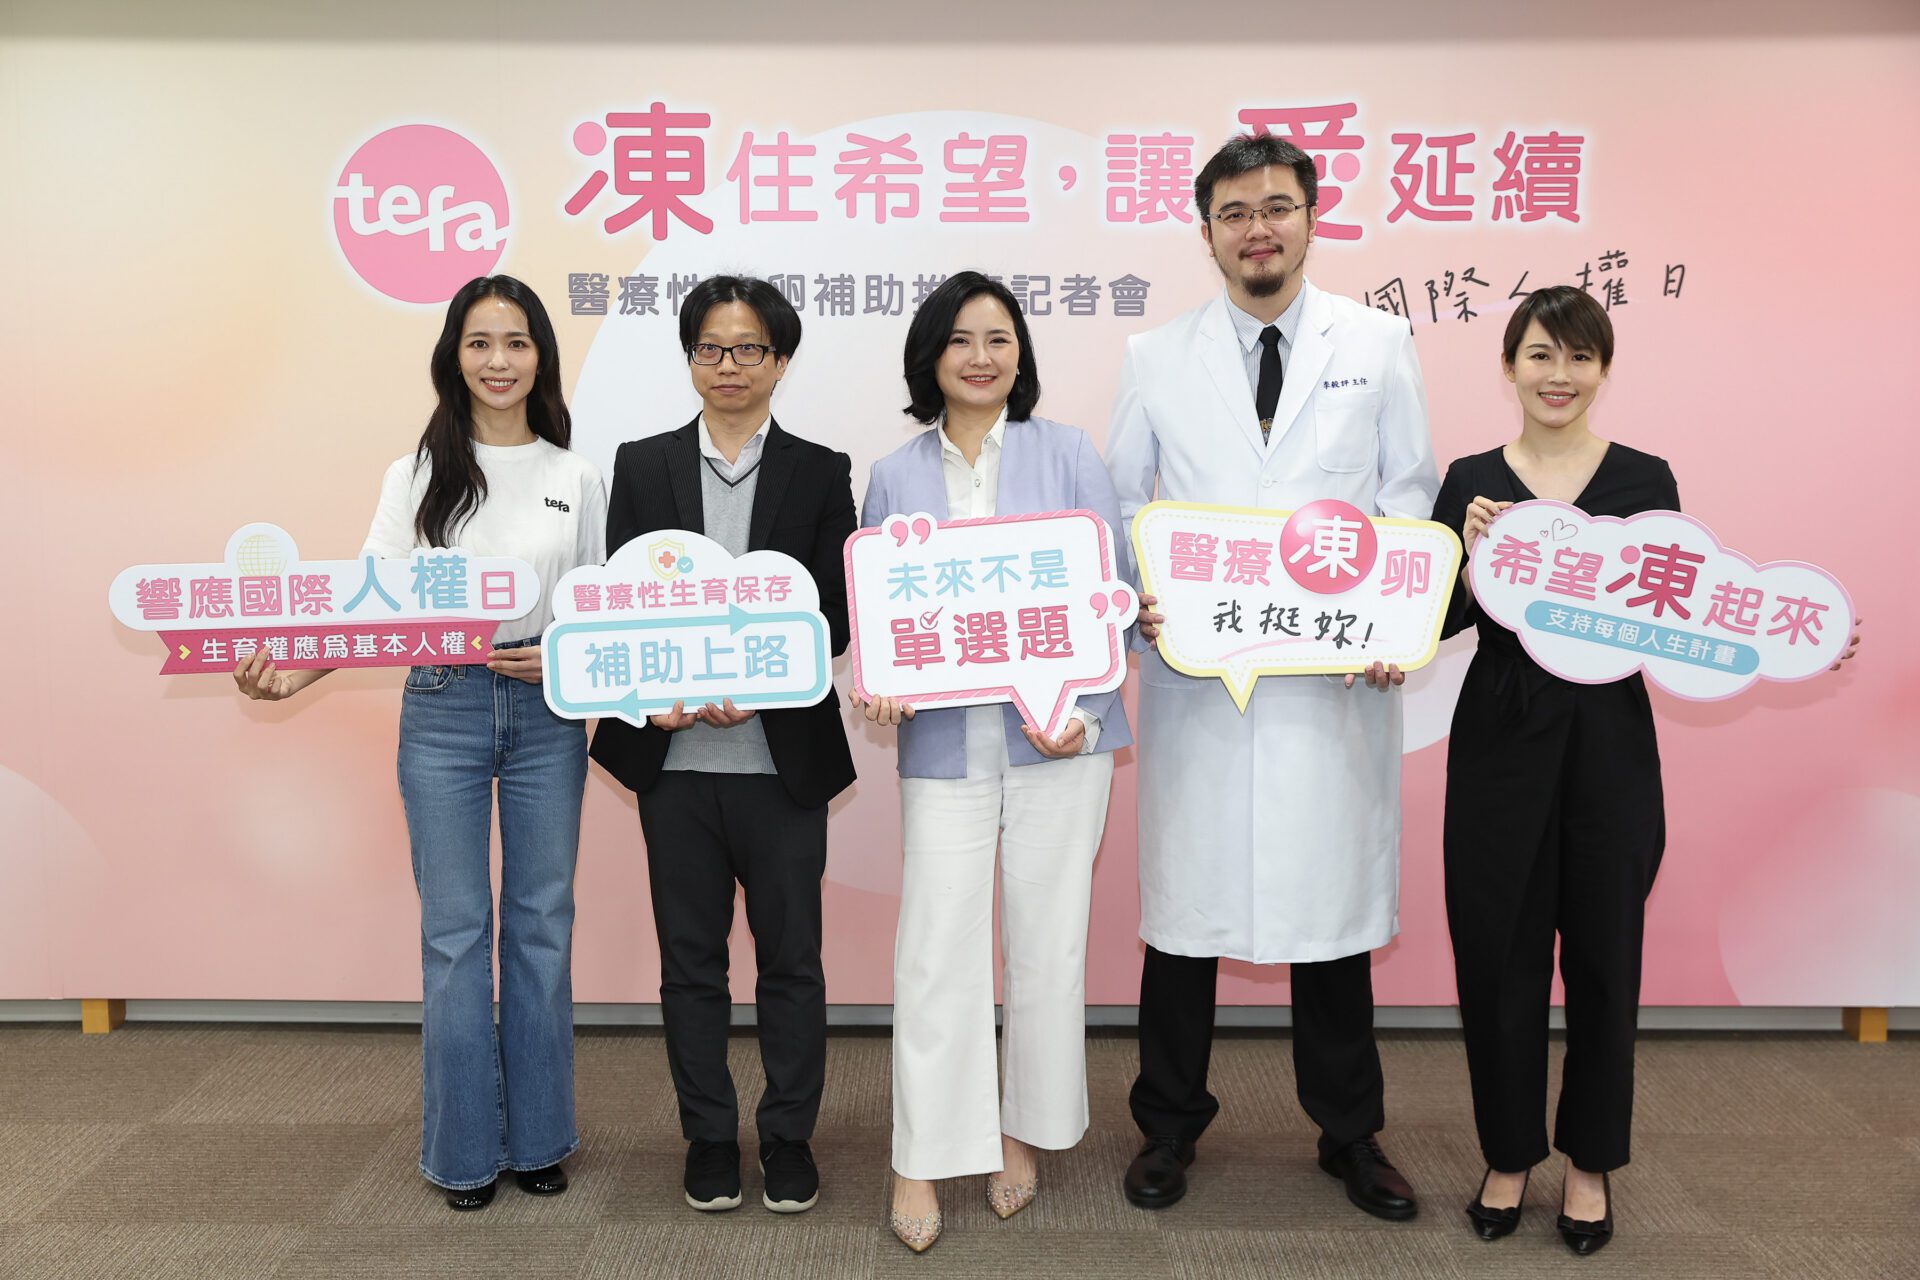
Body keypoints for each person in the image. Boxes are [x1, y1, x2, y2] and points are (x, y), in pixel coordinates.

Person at [1432, 285, 1859, 1255]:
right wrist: (1465, 554)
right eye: (1541, 355)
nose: (1559, 375)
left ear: (1604, 370)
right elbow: (1439, 623)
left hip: (1609, 743)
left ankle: (1590, 1164)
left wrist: (1800, 636)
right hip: (1500, 735)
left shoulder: (1642, 478)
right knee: (1495, 956)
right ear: (1510, 367)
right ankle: (1509, 1155)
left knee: (1604, 953)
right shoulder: (1470, 480)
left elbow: (1692, 613)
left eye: (1579, 357)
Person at [1104, 133, 1439, 1220]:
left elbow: (1409, 493)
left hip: (1330, 685)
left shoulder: (1378, 342)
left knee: (1328, 918)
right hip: (1202, 683)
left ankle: (1352, 1133)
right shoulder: (1156, 354)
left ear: (1311, 218)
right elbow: (1123, 502)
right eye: (1236, 212)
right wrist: (1141, 598)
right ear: (1207, 231)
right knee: (1185, 920)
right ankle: (1167, 1126)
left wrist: (1397, 617)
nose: (1259, 228)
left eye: (1278, 207)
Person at [235, 275, 606, 1210]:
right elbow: (371, 603)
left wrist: (563, 654)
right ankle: (465, 1152)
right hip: (442, 706)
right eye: (479, 343)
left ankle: (540, 1139)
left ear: (541, 358)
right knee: (455, 933)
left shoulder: (575, 475)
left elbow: (601, 605)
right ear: (453, 356)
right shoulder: (414, 475)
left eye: (516, 342)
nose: (498, 361)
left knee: (541, 925)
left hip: (548, 716)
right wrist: (296, 673)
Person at [856, 272, 1133, 1253]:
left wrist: (1085, 717)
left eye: (1000, 338)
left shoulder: (1069, 452)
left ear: (1022, 355)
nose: (981, 356)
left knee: (1047, 946)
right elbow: (878, 615)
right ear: (930, 355)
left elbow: (1112, 596)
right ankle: (922, 1154)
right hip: (944, 746)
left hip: (1059, 744)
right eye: (961, 339)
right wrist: (879, 683)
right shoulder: (894, 472)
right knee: (936, 949)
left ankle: (1021, 1131)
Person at [588, 275, 857, 1217]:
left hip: (782, 764)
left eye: (749, 349)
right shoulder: (643, 463)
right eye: (711, 347)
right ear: (690, 358)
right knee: (690, 964)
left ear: (780, 361)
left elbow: (835, 616)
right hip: (674, 767)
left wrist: (765, 681)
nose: (729, 365)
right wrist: (648, 692)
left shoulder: (820, 470)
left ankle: (788, 1137)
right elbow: (622, 604)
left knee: (792, 963)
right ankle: (708, 1138)